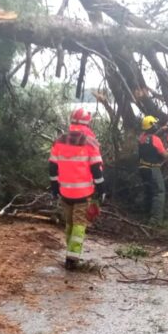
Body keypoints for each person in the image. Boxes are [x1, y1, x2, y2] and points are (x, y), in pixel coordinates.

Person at [49, 108, 105, 270]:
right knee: (80, 224)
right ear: (88, 123)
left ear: (72, 121)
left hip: (64, 191)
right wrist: (102, 189)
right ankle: (72, 259)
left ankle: (70, 253)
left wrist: (54, 188)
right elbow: (96, 169)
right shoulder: (90, 142)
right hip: (83, 192)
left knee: (70, 223)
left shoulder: (59, 140)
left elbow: (52, 167)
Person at [138, 115, 168, 223]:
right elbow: (165, 155)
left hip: (143, 168)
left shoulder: (141, 137)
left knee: (148, 191)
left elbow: (150, 138)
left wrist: (162, 130)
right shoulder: (155, 140)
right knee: (159, 191)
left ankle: (145, 214)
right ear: (152, 126)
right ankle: (155, 220)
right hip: (153, 169)